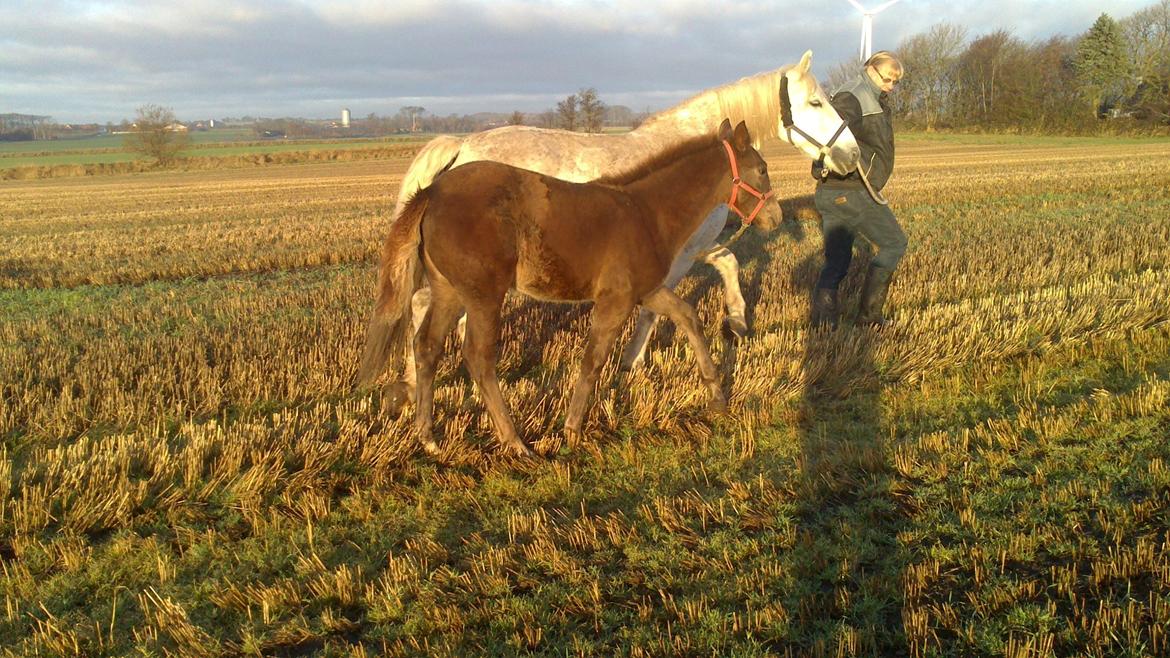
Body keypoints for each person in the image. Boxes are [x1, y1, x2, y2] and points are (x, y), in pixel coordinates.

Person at [810, 51, 907, 329]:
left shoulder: (865, 94)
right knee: (894, 243)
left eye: (895, 82)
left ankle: (824, 326)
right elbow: (828, 135)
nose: (890, 85)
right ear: (870, 69)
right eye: (887, 79)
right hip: (853, 190)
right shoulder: (853, 96)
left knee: (838, 261)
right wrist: (844, 165)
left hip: (834, 191)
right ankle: (869, 318)